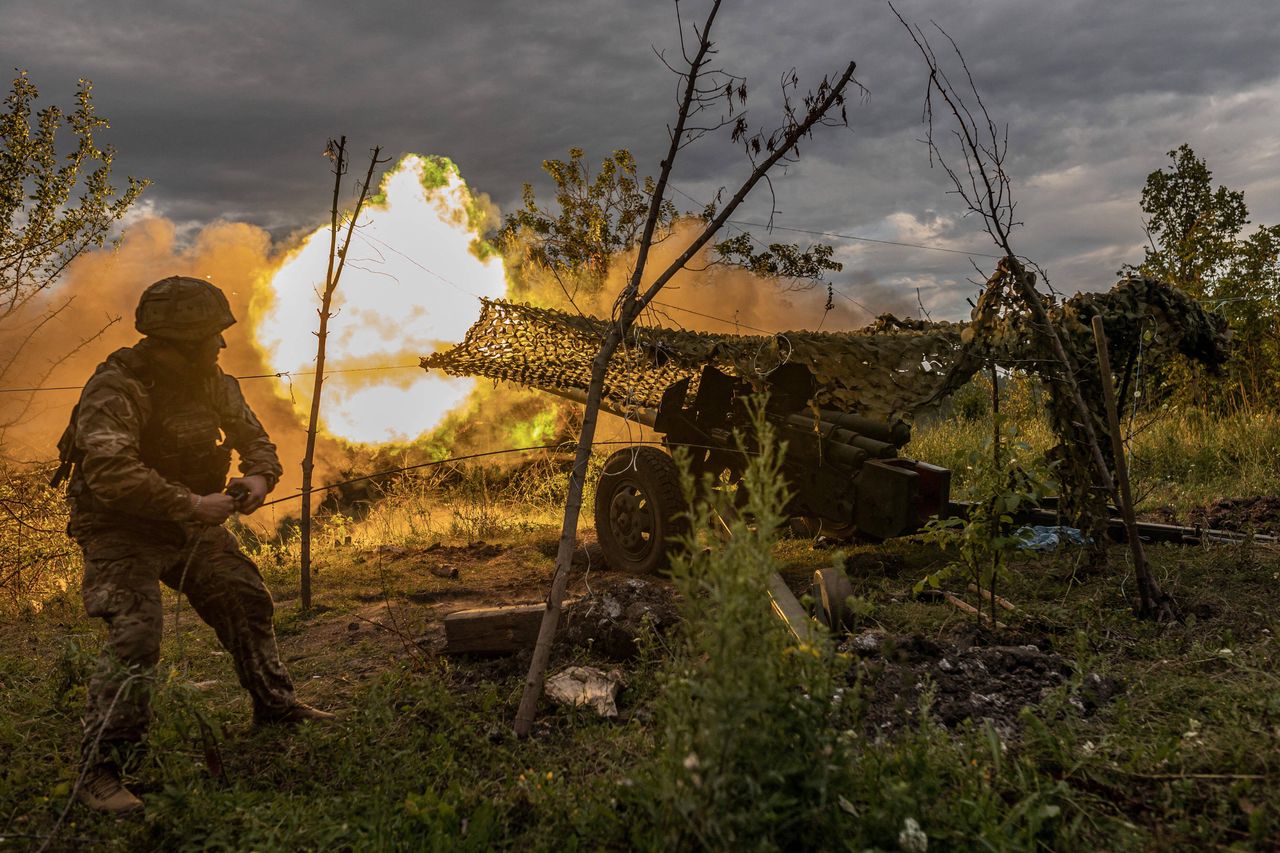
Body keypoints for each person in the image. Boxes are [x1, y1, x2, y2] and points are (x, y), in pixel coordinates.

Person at [52, 275, 333, 815]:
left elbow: (255, 440)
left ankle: (275, 706)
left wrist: (259, 478)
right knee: (136, 637)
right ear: (174, 341)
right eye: (209, 335)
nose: (220, 344)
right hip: (119, 529)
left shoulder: (212, 381)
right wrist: (191, 504)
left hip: (188, 526)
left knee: (245, 596)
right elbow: (109, 472)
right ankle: (102, 771)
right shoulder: (118, 386)